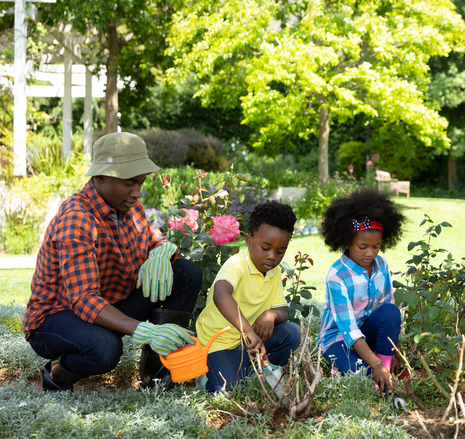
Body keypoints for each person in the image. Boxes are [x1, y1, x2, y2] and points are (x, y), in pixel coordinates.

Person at [23, 132, 202, 392]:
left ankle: (157, 377)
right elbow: (83, 299)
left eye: (140, 183)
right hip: (57, 317)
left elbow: (154, 239)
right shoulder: (77, 220)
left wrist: (161, 252)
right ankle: (57, 374)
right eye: (130, 183)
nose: (137, 192)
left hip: (107, 304)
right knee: (105, 349)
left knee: (186, 272)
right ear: (100, 177)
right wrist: (146, 331)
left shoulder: (128, 207)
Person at [196, 200, 301, 393]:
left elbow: (282, 311)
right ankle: (207, 375)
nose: (272, 256)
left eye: (280, 251)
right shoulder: (237, 264)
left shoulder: (273, 271)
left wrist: (271, 315)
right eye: (266, 248)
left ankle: (252, 371)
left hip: (250, 344)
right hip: (219, 344)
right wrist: (249, 332)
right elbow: (221, 295)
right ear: (249, 240)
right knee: (229, 391)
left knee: (292, 332)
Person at [318, 188, 406, 393]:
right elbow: (348, 330)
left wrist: (392, 350)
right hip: (338, 339)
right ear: (347, 242)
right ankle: (370, 369)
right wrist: (373, 365)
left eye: (376, 246)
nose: (370, 253)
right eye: (362, 246)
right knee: (363, 377)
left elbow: (387, 310)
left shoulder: (381, 265)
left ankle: (385, 371)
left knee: (390, 311)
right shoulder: (337, 277)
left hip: (366, 332)